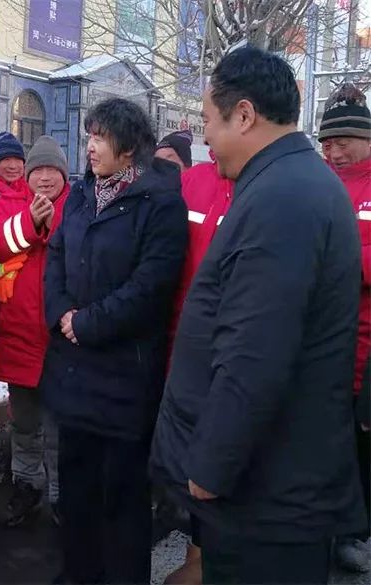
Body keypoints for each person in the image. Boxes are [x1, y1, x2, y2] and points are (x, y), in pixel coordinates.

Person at [150, 47, 367, 585]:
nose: (206, 138)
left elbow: (256, 350)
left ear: (243, 115)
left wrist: (211, 465)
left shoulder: (284, 197)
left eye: (207, 121)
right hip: (272, 481)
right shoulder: (291, 182)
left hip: (266, 495)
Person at [43, 97, 188, 584]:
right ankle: (78, 573)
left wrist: (88, 323)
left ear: (128, 149)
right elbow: (57, 257)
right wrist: (61, 312)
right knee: (77, 491)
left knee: (123, 499)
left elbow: (151, 286)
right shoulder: (82, 195)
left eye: (99, 138)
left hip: (124, 378)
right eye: (88, 137)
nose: (89, 147)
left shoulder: (160, 203)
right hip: (73, 371)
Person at [0, 136, 69, 527]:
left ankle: (60, 495)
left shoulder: (79, 208)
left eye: (53, 170)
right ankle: (26, 485)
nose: (46, 177)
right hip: (19, 336)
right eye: (38, 171)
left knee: (58, 427)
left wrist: (54, 224)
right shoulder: (9, 205)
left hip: (60, 341)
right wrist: (31, 221)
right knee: (24, 423)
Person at [160, 153, 234, 585]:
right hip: (181, 340)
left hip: (230, 349)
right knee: (191, 454)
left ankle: (206, 561)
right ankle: (198, 553)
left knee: (219, 453)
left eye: (210, 118)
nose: (204, 132)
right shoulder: (193, 181)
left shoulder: (266, 188)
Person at [318, 83, 371, 574]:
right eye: (327, 143)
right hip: (322, 342)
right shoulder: (319, 181)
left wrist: (342, 267)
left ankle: (354, 530)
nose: (334, 152)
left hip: (364, 347)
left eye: (343, 142)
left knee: (360, 445)